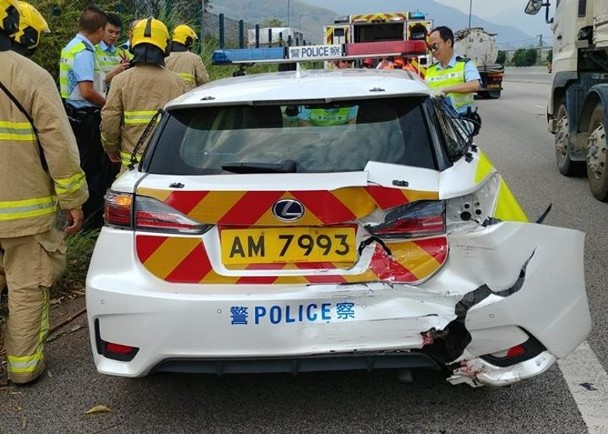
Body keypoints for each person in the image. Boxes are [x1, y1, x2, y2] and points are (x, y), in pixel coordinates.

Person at [1, 0, 88, 385]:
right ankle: (23, 369)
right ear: (26, 33)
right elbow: (60, 146)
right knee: (25, 290)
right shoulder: (31, 76)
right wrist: (74, 200)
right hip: (24, 217)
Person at [100, 17, 185, 171]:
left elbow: (109, 121)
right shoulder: (177, 82)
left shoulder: (120, 80)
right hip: (167, 164)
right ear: (165, 46)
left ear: (133, 45)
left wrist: (110, 148)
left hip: (131, 167)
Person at [60, 6, 113, 229]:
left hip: (72, 113)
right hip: (84, 117)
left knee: (82, 164)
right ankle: (90, 220)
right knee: (92, 169)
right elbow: (87, 91)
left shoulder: (71, 47)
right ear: (99, 29)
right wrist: (109, 106)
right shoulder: (84, 51)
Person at [425, 26, 481, 116]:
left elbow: (475, 85)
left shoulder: (465, 64)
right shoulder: (430, 70)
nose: (433, 51)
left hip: (462, 119)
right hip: (438, 120)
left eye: (435, 46)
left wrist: (445, 90)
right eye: (430, 48)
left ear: (448, 42)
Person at [165, 24, 209, 91]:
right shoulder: (195, 58)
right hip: (189, 98)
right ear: (189, 41)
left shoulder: (166, 59)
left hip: (171, 98)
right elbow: (203, 80)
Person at [95, 12, 129, 94]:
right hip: (99, 100)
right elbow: (94, 85)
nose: (114, 36)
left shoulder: (122, 53)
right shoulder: (93, 51)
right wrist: (113, 72)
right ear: (101, 30)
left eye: (117, 33)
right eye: (110, 31)